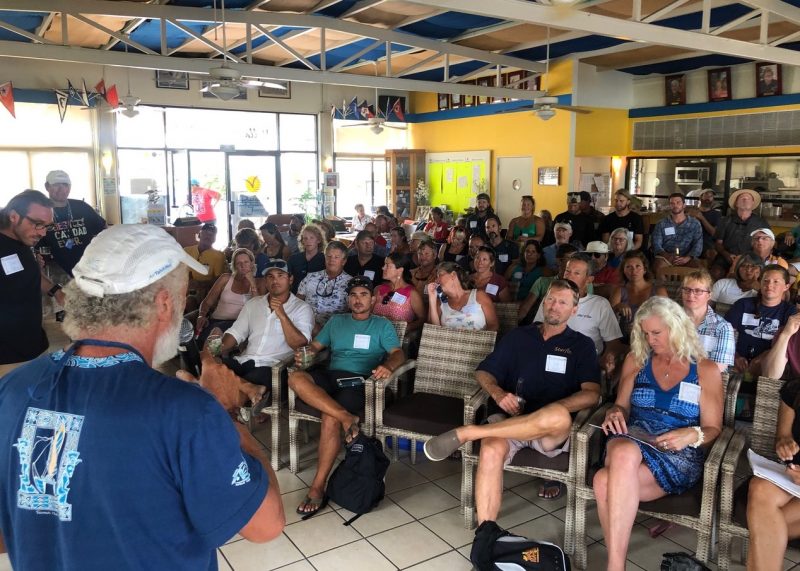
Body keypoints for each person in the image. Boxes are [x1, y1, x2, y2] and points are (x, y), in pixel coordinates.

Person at [0, 224, 285, 569]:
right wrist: (224, 411)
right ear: (164, 303)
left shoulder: (13, 388)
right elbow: (266, 524)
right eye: (182, 296)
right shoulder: (186, 411)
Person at [422, 279, 601, 505]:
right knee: (489, 448)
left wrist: (552, 410)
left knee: (555, 414)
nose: (555, 306)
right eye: (551, 299)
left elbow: (592, 393)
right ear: (543, 302)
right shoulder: (520, 336)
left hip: (550, 433)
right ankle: (486, 531)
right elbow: (484, 372)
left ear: (574, 310)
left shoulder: (581, 345)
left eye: (563, 302)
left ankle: (469, 432)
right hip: (511, 417)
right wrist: (497, 394)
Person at [594, 296, 723, 571]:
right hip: (633, 437)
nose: (650, 340)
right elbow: (622, 406)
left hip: (677, 451)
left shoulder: (704, 370)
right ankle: (615, 567)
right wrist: (615, 412)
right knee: (623, 452)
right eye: (645, 333)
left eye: (656, 333)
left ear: (676, 327)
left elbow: (714, 429)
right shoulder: (636, 360)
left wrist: (690, 435)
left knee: (603, 482)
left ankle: (614, 566)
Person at [288, 276, 404, 516]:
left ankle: (317, 488)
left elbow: (398, 353)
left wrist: (389, 366)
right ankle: (346, 417)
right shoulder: (337, 321)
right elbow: (315, 349)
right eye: (353, 295)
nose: (357, 299)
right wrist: (305, 354)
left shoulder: (381, 325)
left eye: (363, 295)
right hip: (331, 376)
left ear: (373, 299)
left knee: (329, 417)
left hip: (359, 382)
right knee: (295, 378)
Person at [215, 259, 314, 398]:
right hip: (245, 361)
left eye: (281, 275)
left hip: (272, 368)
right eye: (270, 276)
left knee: (224, 385)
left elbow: (300, 345)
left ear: (291, 279)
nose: (275, 280)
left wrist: (282, 314)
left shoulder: (302, 308)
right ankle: (247, 393)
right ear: (265, 281)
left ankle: (242, 397)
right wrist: (217, 348)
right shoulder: (253, 304)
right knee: (213, 368)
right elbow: (236, 332)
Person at [0, 190, 64, 375]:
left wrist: (57, 291)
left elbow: (29, 276)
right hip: (6, 358)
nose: (43, 232)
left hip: (34, 344)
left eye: (46, 226)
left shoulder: (23, 239)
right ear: (13, 216)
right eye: (37, 224)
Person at [745, 377, 800, 570]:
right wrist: (784, 445)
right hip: (793, 478)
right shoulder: (794, 389)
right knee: (759, 488)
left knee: (763, 526)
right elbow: (783, 436)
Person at [533, 253, 624, 359]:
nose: (569, 276)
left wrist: (608, 359)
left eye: (576, 273)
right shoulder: (551, 299)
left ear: (589, 280)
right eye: (567, 271)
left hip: (584, 361)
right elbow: (536, 329)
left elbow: (613, 344)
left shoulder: (600, 305)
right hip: (549, 356)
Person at [725, 264, 796, 376]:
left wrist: (762, 358)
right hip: (736, 361)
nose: (769, 285)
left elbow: (787, 345)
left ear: (786, 286)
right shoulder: (743, 304)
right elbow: (725, 333)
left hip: (768, 365)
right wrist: (735, 357)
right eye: (766, 280)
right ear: (760, 283)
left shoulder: (789, 312)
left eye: (776, 282)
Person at [40, 170, 106, 277]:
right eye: (56, 185)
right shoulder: (41, 211)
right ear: (47, 186)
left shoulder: (81, 207)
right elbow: (37, 247)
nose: (61, 189)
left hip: (90, 268)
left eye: (65, 185)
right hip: (57, 271)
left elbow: (104, 230)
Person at [196, 248, 261, 345]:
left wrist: (252, 282)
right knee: (202, 341)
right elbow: (207, 302)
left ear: (252, 263)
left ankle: (209, 356)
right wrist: (202, 314)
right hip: (216, 321)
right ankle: (206, 356)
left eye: (246, 262)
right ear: (234, 265)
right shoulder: (225, 278)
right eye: (239, 263)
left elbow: (259, 308)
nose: (242, 266)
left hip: (238, 326)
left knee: (214, 341)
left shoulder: (259, 283)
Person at [681, 270, 735, 372]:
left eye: (698, 291)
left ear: (709, 295)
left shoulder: (722, 327)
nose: (691, 295)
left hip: (703, 384)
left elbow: (718, 370)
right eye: (687, 289)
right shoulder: (670, 320)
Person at [711, 188, 770, 280]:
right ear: (736, 204)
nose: (745, 200)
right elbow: (718, 243)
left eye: (748, 198)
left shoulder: (761, 223)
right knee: (716, 272)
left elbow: (768, 245)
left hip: (751, 259)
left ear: (753, 203)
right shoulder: (725, 221)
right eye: (742, 198)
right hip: (727, 257)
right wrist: (727, 255)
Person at [610, 251, 669, 341]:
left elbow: (667, 318)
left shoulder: (659, 291)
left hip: (651, 338)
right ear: (624, 271)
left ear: (644, 269)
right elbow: (608, 319)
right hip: (625, 338)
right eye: (629, 267)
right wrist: (618, 307)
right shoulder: (619, 291)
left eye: (638, 266)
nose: (634, 271)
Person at [296, 241, 352, 333]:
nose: (331, 260)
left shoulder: (350, 283)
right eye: (329, 256)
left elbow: (352, 313)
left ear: (344, 261)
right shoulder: (310, 277)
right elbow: (297, 301)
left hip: (334, 330)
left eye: (336, 257)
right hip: (305, 326)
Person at [427, 262, 498, 331]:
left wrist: (478, 341)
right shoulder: (440, 303)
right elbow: (433, 331)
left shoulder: (479, 296)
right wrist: (432, 299)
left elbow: (493, 325)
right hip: (448, 342)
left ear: (453, 275)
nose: (436, 280)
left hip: (477, 342)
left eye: (439, 275)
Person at [518, 244, 580, 321]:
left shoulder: (582, 284)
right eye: (570, 258)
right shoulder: (542, 282)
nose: (574, 262)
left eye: (576, 259)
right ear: (559, 261)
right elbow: (525, 308)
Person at [651, 193, 703, 273]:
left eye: (678, 202)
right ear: (669, 206)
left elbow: (698, 245)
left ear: (684, 205)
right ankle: (663, 285)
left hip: (687, 257)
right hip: (666, 257)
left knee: (699, 269)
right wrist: (668, 256)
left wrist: (688, 257)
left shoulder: (695, 224)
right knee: (658, 267)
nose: (675, 205)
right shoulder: (661, 224)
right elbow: (656, 244)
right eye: (672, 203)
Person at [374, 252, 426, 332]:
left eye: (387, 265)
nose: (383, 268)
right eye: (384, 265)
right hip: (374, 334)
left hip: (396, 337)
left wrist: (407, 327)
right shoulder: (378, 289)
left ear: (400, 270)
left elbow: (422, 319)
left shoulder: (412, 294)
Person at [184, 223, 227, 310]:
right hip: (187, 289)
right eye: (206, 233)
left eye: (212, 234)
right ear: (199, 234)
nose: (209, 236)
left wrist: (201, 284)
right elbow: (182, 272)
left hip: (207, 291)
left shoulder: (219, 255)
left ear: (215, 238)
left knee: (190, 301)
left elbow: (219, 280)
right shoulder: (187, 251)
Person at [287, 224, 326, 294]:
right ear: (302, 241)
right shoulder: (293, 259)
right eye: (305, 238)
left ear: (319, 240)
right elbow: (287, 280)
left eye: (312, 238)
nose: (308, 241)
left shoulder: (325, 259)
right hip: (296, 296)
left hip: (317, 297)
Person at [686, 186, 721, 261]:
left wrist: (702, 218)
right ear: (700, 198)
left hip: (707, 244)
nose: (708, 198)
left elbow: (714, 233)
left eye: (711, 196)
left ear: (713, 199)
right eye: (706, 195)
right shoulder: (692, 212)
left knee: (712, 253)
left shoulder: (716, 214)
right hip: (690, 242)